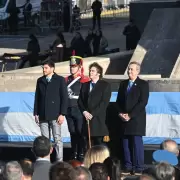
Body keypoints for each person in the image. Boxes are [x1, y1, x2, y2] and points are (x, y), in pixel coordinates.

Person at [116, 61, 149, 175]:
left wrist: (130, 115)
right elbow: (118, 101)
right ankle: (128, 166)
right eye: (128, 69)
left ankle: (138, 167)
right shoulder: (123, 84)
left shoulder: (143, 84)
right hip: (124, 118)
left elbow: (142, 102)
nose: (129, 71)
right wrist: (121, 113)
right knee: (125, 143)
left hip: (136, 119)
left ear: (137, 71)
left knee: (136, 142)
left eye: (132, 69)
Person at [34, 60, 68, 161]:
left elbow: (64, 97)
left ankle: (59, 160)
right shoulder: (40, 80)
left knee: (57, 138)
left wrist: (62, 113)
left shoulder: (60, 80)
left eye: (46, 68)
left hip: (55, 114)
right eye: (43, 68)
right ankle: (46, 159)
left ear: (52, 68)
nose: (44, 70)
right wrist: (36, 113)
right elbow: (37, 98)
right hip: (43, 114)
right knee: (45, 140)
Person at [78, 62, 111, 146]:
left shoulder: (105, 85)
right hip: (86, 120)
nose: (90, 72)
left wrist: (92, 114)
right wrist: (84, 111)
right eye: (90, 70)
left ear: (98, 73)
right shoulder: (85, 85)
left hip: (98, 121)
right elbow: (80, 101)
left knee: (99, 146)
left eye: (93, 71)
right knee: (88, 146)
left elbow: (104, 103)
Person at [65, 55, 90, 161]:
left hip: (79, 110)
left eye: (74, 66)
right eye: (71, 66)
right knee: (72, 132)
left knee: (80, 132)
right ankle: (74, 152)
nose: (72, 68)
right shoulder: (66, 80)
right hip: (68, 109)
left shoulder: (84, 80)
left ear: (80, 67)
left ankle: (81, 153)